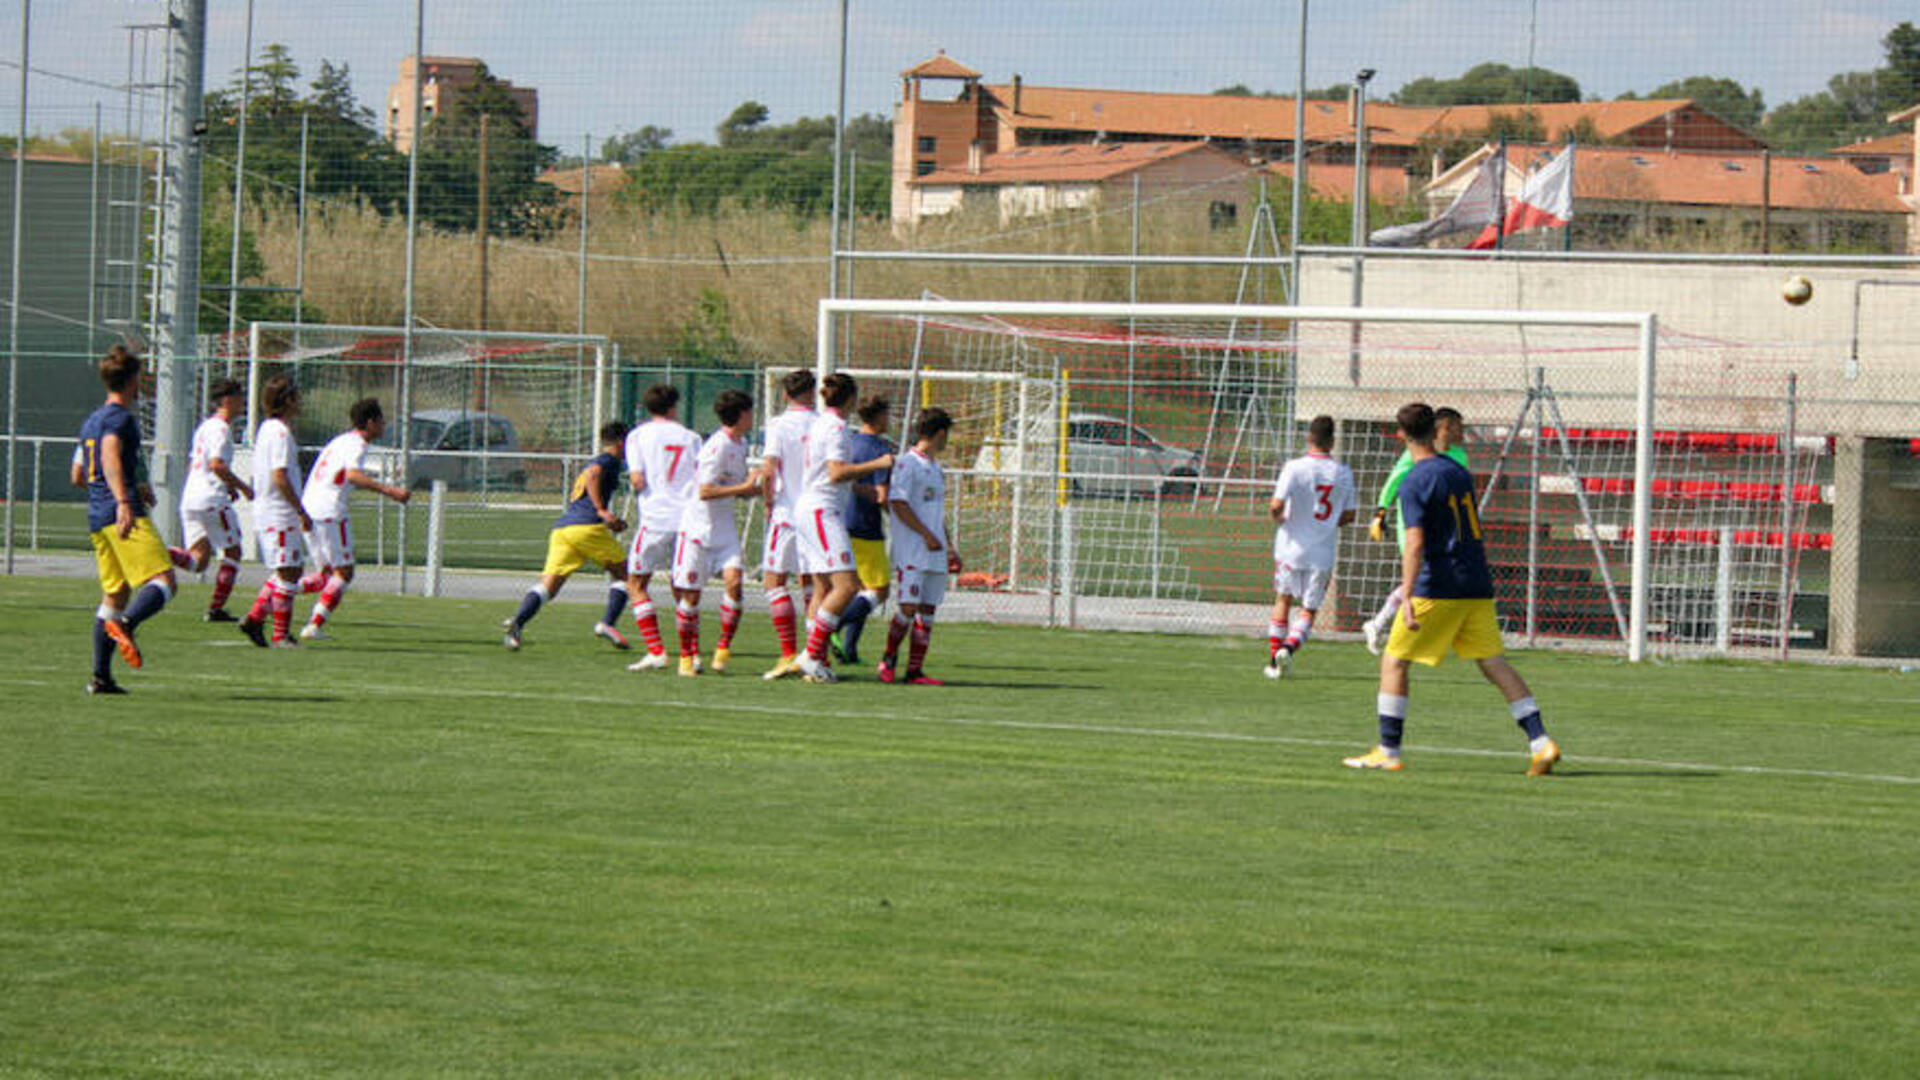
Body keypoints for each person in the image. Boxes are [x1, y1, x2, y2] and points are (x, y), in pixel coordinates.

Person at [1344, 403, 1560, 776]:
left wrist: (1408, 596)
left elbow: (1414, 544)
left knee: (1394, 660)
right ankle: (1541, 742)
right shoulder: (1459, 472)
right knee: (1494, 663)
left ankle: (1388, 750)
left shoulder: (1414, 480)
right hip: (1476, 583)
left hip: (1438, 585)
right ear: (1436, 430)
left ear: (1401, 434)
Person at [76, 345, 177, 694]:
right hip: (122, 513)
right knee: (164, 582)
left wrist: (131, 484)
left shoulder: (92, 420)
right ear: (134, 380)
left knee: (114, 595)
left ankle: (101, 678)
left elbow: (78, 473)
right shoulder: (120, 419)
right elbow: (109, 454)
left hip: (96, 516)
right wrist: (123, 499)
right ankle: (128, 627)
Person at [793, 372, 895, 684]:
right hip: (823, 511)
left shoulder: (820, 423)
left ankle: (816, 658)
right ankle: (811, 654)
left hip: (813, 508)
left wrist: (863, 489)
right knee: (848, 586)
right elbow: (836, 473)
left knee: (823, 588)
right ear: (851, 398)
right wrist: (878, 465)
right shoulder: (837, 427)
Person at [502, 422, 631, 650]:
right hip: (586, 528)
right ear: (622, 442)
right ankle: (607, 623)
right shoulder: (608, 460)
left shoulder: (600, 460)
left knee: (548, 587)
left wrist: (611, 520)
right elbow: (593, 475)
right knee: (627, 577)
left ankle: (517, 625)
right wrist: (601, 510)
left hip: (564, 529)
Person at [296, 397, 412, 641]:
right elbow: (352, 475)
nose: (384, 426)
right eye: (381, 421)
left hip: (310, 508)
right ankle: (314, 626)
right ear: (370, 423)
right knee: (344, 573)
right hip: (330, 511)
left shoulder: (341, 441)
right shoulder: (357, 444)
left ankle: (276, 593)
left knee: (326, 576)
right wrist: (390, 491)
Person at [1362, 406, 1468, 654]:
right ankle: (1390, 626)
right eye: (1458, 426)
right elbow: (1394, 480)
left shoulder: (1460, 456)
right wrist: (1380, 511)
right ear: (1444, 427)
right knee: (1422, 572)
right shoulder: (1416, 454)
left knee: (1433, 575)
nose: (1463, 432)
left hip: (1444, 524)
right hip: (1413, 522)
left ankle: (1380, 624)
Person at [668, 389, 759, 676]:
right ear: (741, 415)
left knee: (735, 583)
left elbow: (734, 487)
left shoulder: (741, 444)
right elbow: (705, 490)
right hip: (698, 531)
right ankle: (687, 656)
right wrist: (744, 488)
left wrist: (753, 487)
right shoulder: (716, 446)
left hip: (725, 531)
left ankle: (723, 648)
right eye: (750, 412)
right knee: (691, 597)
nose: (753, 417)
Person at [1265, 415, 1356, 679]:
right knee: (1309, 609)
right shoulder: (1343, 473)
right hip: (1322, 552)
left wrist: (1279, 519)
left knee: (1283, 599)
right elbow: (1350, 516)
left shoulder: (1294, 467)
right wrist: (1326, 524)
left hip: (1290, 548)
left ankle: (1273, 661)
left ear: (1309, 438)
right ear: (1332, 441)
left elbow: (1275, 505)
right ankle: (1289, 649)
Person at [624, 384, 703, 673]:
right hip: (686, 520)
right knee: (682, 586)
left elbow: (637, 480)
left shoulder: (637, 436)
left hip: (655, 519)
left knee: (636, 584)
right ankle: (691, 654)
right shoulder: (691, 437)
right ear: (674, 407)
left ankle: (656, 650)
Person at [879, 407, 958, 686]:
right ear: (939, 434)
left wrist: (949, 546)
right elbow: (898, 504)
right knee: (908, 608)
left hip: (935, 550)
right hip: (913, 550)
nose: (947, 440)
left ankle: (915, 671)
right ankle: (888, 659)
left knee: (927, 610)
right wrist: (925, 534)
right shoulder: (906, 463)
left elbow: (937, 512)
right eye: (946, 434)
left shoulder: (936, 468)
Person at [238, 374, 313, 649]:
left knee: (290, 570)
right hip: (279, 512)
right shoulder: (280, 433)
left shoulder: (267, 428)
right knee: (289, 572)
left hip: (271, 511)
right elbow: (279, 476)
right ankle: (280, 635)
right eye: (297, 396)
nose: (300, 402)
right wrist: (300, 509)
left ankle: (255, 619)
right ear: (288, 400)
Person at [170, 378, 253, 622]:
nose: (242, 403)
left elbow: (197, 464)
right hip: (212, 500)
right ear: (227, 400)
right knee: (233, 552)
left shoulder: (205, 427)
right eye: (239, 397)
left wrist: (228, 485)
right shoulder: (221, 429)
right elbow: (216, 464)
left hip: (192, 498)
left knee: (198, 562)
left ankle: (159, 552)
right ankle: (216, 609)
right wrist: (243, 486)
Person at [757, 369, 817, 680]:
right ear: (813, 392)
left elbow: (769, 470)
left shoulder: (779, 425)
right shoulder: (824, 423)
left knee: (774, 581)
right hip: (818, 515)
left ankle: (788, 653)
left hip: (787, 513)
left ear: (784, 395)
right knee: (813, 586)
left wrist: (768, 501)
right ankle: (814, 656)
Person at [833, 395, 894, 665]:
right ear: (879, 416)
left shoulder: (851, 442)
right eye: (888, 414)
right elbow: (882, 496)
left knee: (858, 589)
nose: (889, 420)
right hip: (866, 528)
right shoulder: (880, 450)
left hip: (841, 522)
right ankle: (832, 625)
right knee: (879, 590)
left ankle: (850, 649)